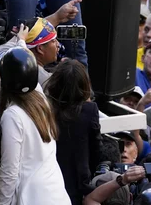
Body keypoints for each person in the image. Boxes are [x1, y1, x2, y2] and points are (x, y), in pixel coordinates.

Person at [0, 47, 71, 205]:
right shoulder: (41, 100)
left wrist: (3, 203)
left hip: (32, 197)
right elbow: (26, 72)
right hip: (57, 194)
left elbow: (10, 171)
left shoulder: (13, 115)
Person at [44, 60, 101, 205]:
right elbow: (96, 150)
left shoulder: (45, 110)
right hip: (78, 180)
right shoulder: (90, 110)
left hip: (49, 177)